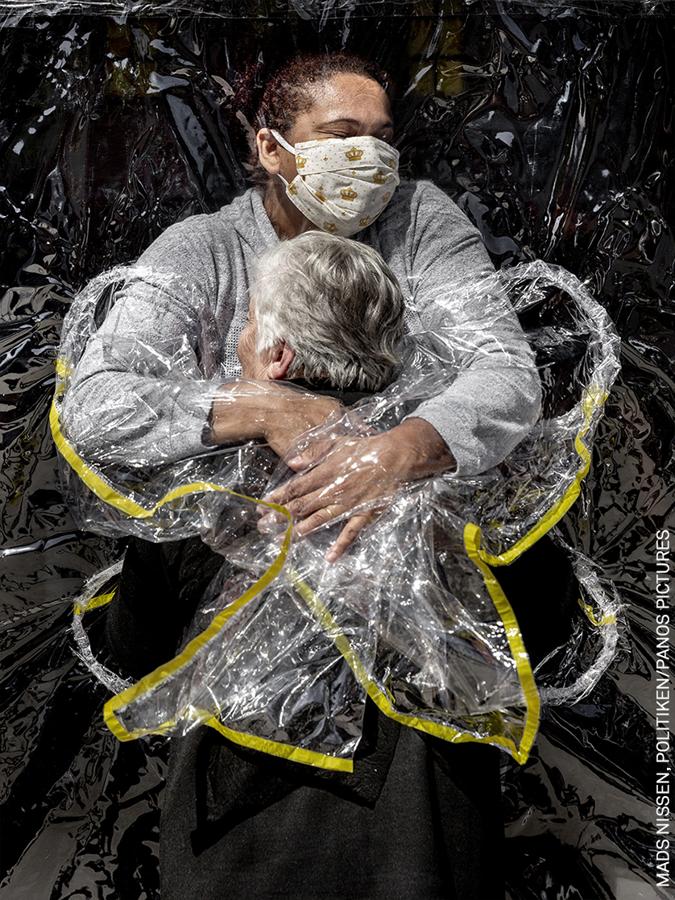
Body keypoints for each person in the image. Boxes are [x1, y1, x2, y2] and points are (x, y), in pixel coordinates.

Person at [62, 50, 548, 899]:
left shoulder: (418, 219)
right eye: (339, 135)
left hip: (343, 754)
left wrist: (394, 451)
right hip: (282, 692)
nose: (369, 160)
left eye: (382, 138)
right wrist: (259, 409)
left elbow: (504, 373)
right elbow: (99, 405)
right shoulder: (205, 250)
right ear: (270, 148)